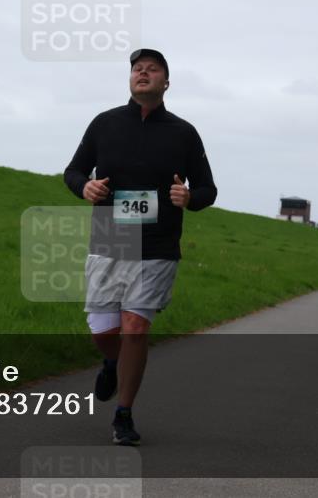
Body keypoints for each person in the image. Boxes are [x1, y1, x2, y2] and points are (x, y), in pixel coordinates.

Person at [64, 48, 217, 446]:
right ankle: (111, 362)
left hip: (158, 242)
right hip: (110, 237)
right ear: (130, 79)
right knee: (103, 329)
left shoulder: (184, 133)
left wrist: (190, 197)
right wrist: (85, 185)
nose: (143, 73)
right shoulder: (105, 123)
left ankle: (123, 414)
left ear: (166, 83)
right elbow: (74, 169)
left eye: (152, 69)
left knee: (135, 327)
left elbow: (207, 188)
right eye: (137, 68)